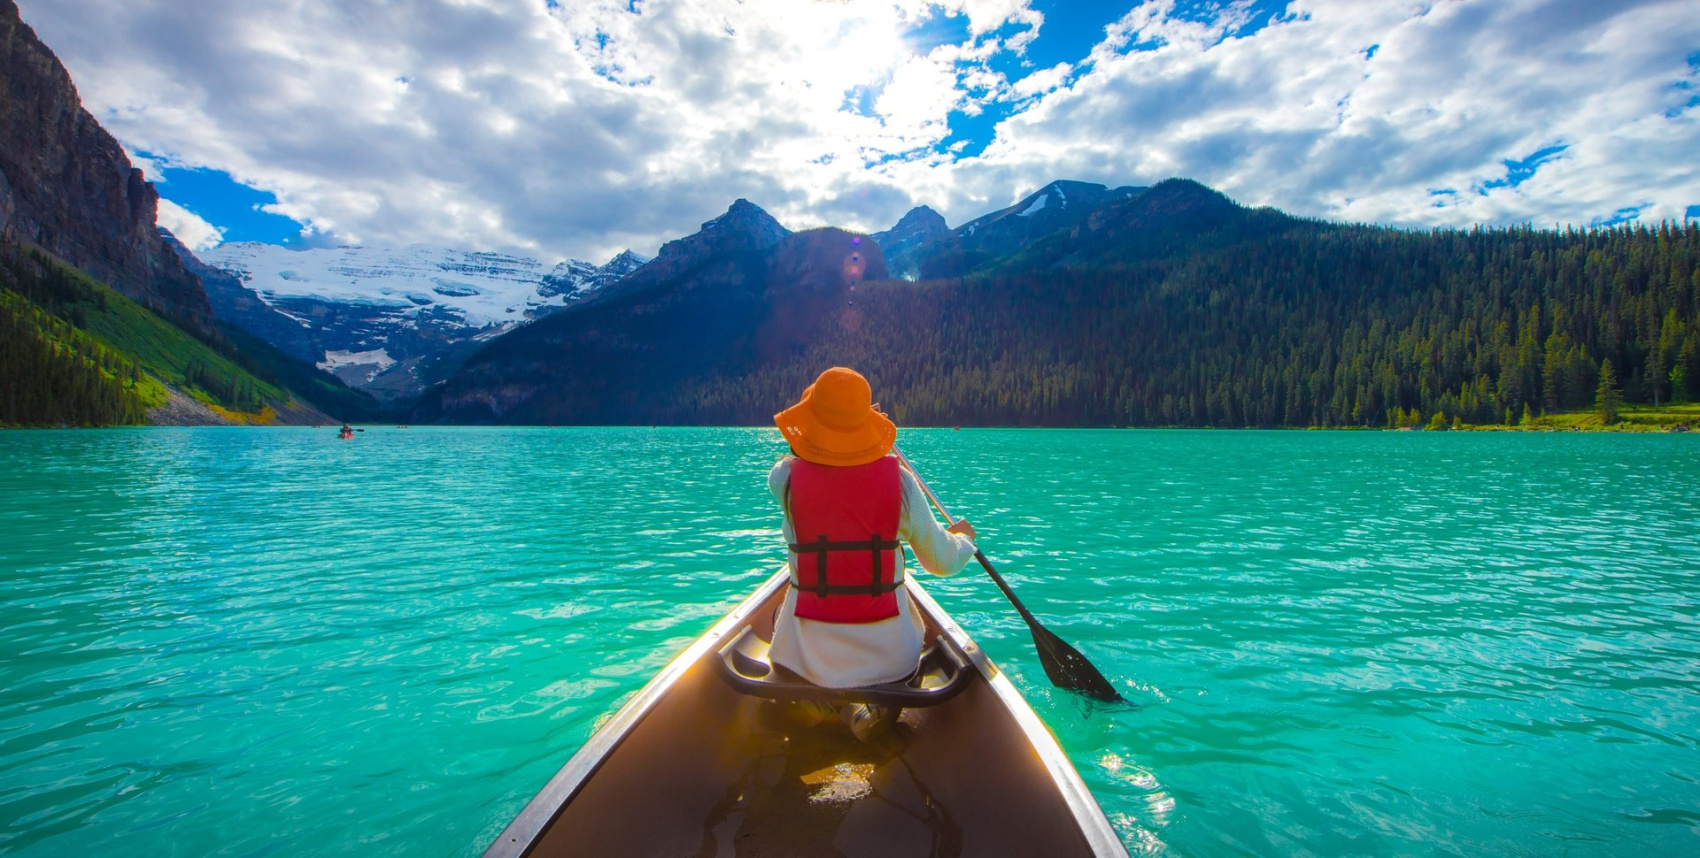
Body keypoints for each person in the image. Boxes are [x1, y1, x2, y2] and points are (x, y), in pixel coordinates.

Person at [769, 367, 978, 740]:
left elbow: (800, 453)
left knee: (776, 613)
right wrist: (964, 541)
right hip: (891, 665)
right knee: (900, 646)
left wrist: (848, 427)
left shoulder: (784, 480)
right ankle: (871, 708)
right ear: (867, 423)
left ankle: (816, 701)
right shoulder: (900, 484)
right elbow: (941, 562)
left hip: (801, 662)